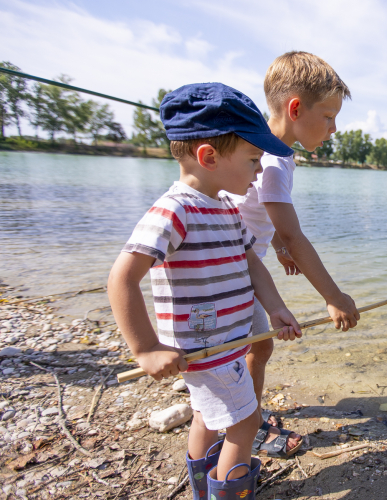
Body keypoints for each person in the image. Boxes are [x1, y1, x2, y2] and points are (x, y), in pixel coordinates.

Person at [107, 83, 302, 500]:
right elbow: (121, 278)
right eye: (252, 160)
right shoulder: (174, 209)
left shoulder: (226, 209)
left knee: (207, 418)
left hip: (225, 343)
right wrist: (145, 348)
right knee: (246, 423)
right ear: (209, 157)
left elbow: (251, 263)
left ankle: (204, 488)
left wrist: (276, 308)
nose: (257, 172)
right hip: (203, 348)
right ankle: (228, 492)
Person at [232, 51, 360, 448]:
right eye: (328, 116)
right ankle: (244, 426)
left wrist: (275, 245)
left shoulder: (263, 152)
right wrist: (334, 297)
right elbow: (294, 234)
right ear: (295, 108)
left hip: (239, 260)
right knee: (254, 346)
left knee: (256, 345)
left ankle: (242, 413)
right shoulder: (274, 160)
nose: (334, 128)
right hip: (234, 268)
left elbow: (252, 212)